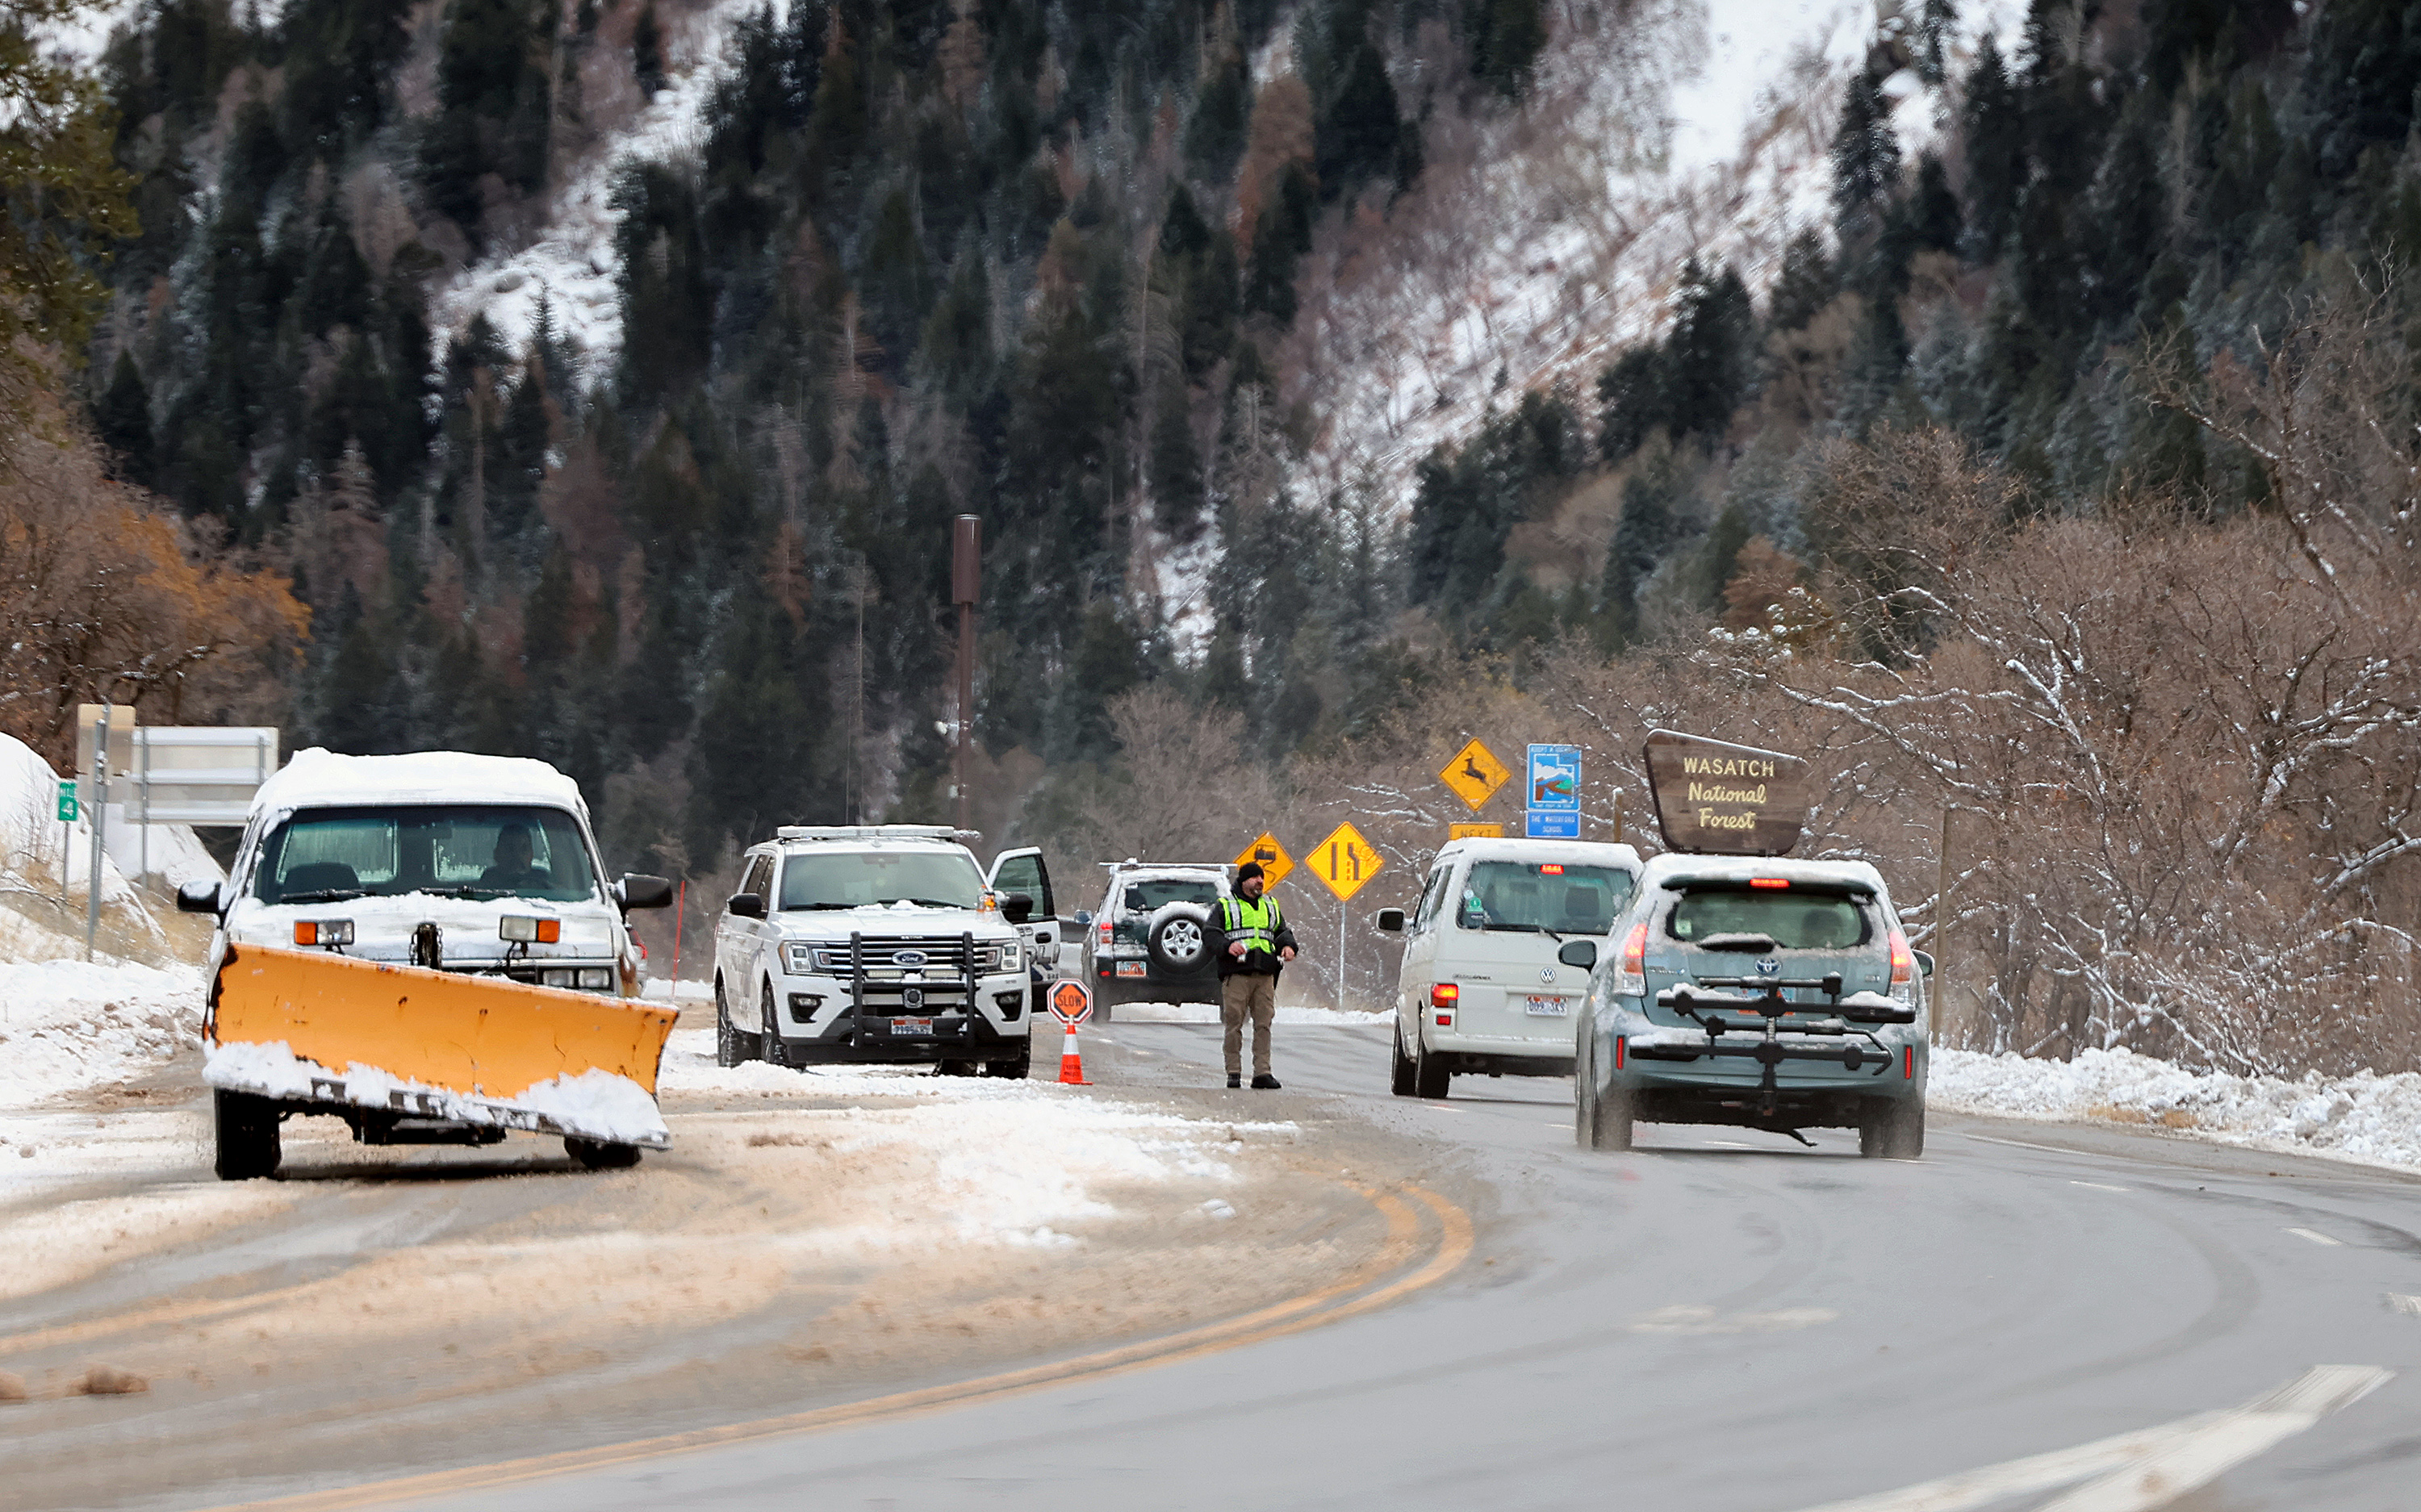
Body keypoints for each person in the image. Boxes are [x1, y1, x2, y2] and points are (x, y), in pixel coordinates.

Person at [1202, 862, 1298, 1089]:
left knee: (1263, 1025)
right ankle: (1233, 1072)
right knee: (1234, 1024)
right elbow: (1210, 934)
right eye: (1255, 878)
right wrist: (1227, 946)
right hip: (1237, 974)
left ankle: (1262, 1073)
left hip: (1265, 974)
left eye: (1261, 878)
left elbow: (1281, 931)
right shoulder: (1226, 906)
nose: (1260, 882)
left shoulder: (1271, 905)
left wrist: (1289, 946)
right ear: (1243, 881)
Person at [479, 822, 550, 892]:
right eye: (510, 849)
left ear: (532, 854)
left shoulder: (543, 881)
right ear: (497, 854)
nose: (518, 854)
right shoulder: (488, 884)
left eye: (524, 849)